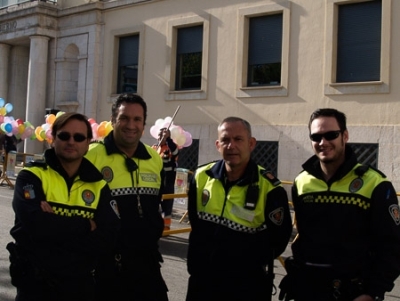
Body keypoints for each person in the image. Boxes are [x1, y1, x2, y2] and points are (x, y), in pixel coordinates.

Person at [279, 108, 400, 301]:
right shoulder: (301, 182)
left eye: (331, 135)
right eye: (316, 136)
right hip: (307, 289)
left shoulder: (375, 183)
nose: (323, 142)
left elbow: (391, 246)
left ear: (345, 136)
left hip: (353, 292)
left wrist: (372, 292)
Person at [7, 112, 120, 301]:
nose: (71, 142)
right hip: (34, 287)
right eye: (64, 135)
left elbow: (108, 237)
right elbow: (34, 224)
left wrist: (52, 226)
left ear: (87, 143)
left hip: (79, 287)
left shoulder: (99, 185)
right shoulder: (31, 176)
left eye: (78, 137)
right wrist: (85, 226)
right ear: (53, 139)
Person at [185, 116, 293, 301]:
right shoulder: (201, 176)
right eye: (225, 140)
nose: (231, 146)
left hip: (246, 287)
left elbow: (279, 239)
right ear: (218, 144)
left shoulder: (270, 188)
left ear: (251, 144)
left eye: (238, 139)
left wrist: (245, 264)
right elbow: (196, 221)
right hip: (202, 283)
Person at [86, 93, 169, 301]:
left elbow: (155, 205)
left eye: (137, 119)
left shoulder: (154, 159)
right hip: (106, 269)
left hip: (147, 266)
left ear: (143, 124)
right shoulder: (91, 156)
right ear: (113, 120)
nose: (130, 125)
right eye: (124, 118)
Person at [152, 127, 179, 230]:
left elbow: (175, 153)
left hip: (167, 183)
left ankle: (166, 228)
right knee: (153, 206)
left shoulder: (171, 148)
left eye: (162, 135)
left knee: (167, 207)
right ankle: (155, 226)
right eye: (159, 135)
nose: (160, 136)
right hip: (155, 183)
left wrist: (168, 139)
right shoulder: (154, 147)